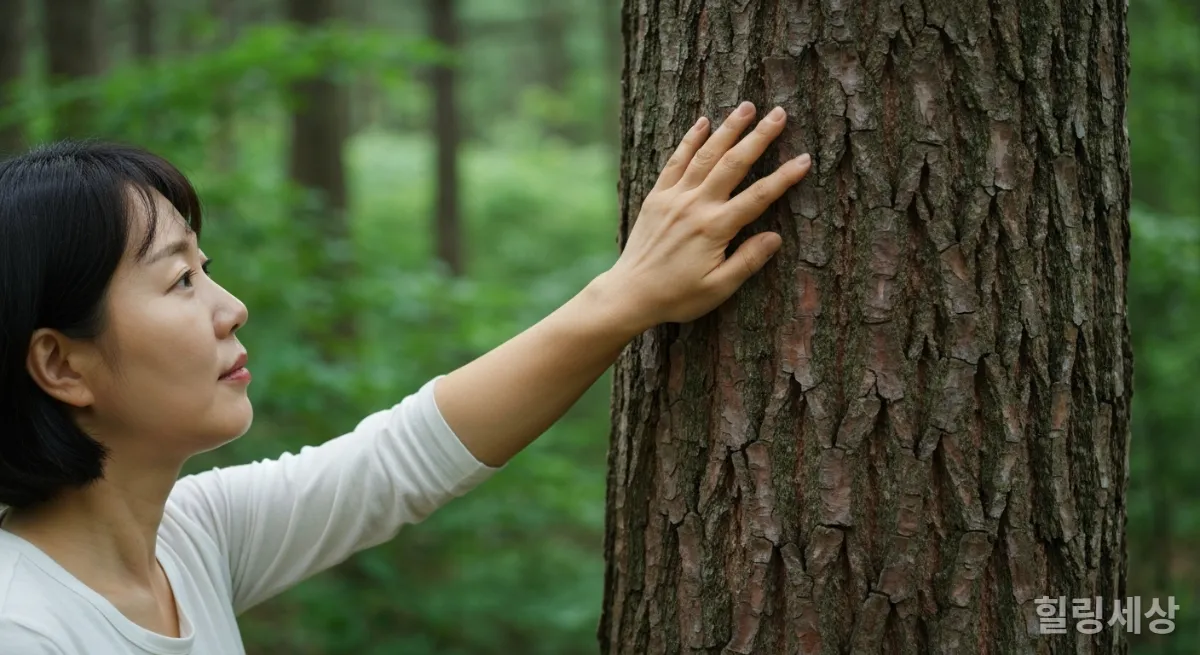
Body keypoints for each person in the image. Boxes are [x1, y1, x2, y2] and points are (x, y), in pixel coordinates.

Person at [0, 101, 811, 653]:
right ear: (60, 363)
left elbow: (403, 457)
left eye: (206, 268)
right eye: (180, 280)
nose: (232, 307)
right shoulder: (25, 625)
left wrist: (627, 297)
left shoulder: (185, 539)